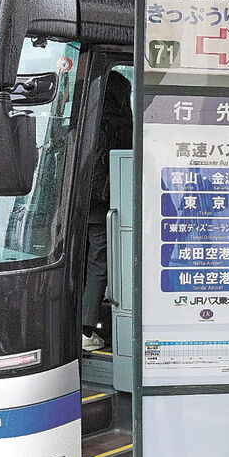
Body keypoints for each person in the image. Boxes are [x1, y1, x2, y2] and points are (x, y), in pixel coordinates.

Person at [82, 71, 133, 351]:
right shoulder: (121, 124)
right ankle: (85, 330)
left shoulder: (85, 119)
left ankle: (76, 322)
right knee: (99, 264)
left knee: (83, 263)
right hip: (109, 207)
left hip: (78, 207)